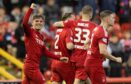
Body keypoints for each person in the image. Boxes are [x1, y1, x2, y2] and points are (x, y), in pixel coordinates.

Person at [22, 3, 68, 84]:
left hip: (33, 66)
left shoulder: (41, 36)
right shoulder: (30, 32)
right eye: (36, 21)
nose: (39, 23)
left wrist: (59, 58)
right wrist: (31, 9)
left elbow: (45, 52)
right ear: (32, 23)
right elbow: (25, 23)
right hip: (31, 67)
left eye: (41, 21)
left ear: (43, 23)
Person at [54, 5, 97, 84]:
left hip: (73, 57)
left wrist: (65, 25)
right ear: (91, 14)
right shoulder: (94, 26)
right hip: (84, 58)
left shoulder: (73, 23)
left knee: (85, 78)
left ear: (81, 13)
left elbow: (56, 24)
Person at [84, 10, 122, 84]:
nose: (114, 20)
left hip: (89, 62)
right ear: (107, 19)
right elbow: (103, 51)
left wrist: (93, 52)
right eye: (112, 18)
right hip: (95, 65)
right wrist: (116, 59)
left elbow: (86, 43)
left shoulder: (96, 28)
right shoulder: (102, 32)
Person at [51, 13, 75, 84]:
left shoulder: (58, 30)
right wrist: (78, 46)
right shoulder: (68, 30)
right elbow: (69, 46)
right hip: (65, 61)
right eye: (73, 19)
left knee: (55, 82)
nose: (74, 22)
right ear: (68, 19)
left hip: (55, 61)